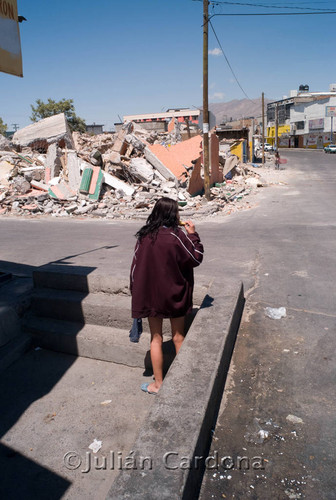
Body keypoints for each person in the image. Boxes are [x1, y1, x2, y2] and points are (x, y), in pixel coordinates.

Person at [130, 197, 204, 394]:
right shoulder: (176, 235)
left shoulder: (144, 236)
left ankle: (158, 384)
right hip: (175, 295)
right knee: (178, 337)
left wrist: (135, 294)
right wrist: (193, 234)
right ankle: (182, 385)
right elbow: (196, 257)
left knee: (156, 338)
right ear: (173, 215)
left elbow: (134, 268)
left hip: (151, 297)